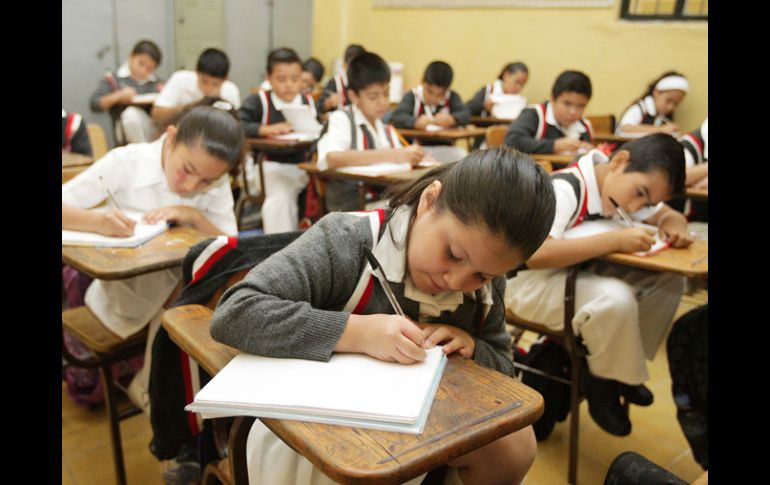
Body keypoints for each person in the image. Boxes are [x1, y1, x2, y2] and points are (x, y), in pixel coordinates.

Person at [209, 147, 556, 485]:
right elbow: (236, 310)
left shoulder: (484, 289)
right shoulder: (347, 240)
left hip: (423, 426)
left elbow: (505, 372)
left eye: (481, 275)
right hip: (319, 422)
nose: (456, 281)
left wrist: (474, 347)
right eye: (452, 253)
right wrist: (356, 332)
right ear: (429, 201)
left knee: (515, 445)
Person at [505, 134, 692, 437]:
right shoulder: (565, 188)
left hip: (568, 280)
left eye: (648, 201)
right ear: (619, 162)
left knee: (671, 280)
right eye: (640, 193)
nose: (637, 206)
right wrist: (614, 240)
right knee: (616, 299)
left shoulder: (620, 187)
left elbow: (662, 213)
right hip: (523, 286)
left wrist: (673, 221)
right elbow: (536, 253)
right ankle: (603, 382)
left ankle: (622, 373)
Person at [62, 105, 242, 413]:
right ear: (170, 138)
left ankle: (163, 393)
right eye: (187, 170)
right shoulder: (127, 161)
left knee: (209, 292)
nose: (190, 186)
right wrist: (98, 221)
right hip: (123, 294)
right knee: (191, 302)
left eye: (205, 182)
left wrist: (195, 216)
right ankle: (158, 394)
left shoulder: (213, 176)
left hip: (177, 292)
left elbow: (229, 245)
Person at [316, 52, 427, 212]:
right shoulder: (342, 119)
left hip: (382, 200)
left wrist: (414, 157)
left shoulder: (382, 125)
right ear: (353, 96)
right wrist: (396, 154)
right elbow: (333, 158)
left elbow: (402, 158)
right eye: (373, 96)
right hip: (350, 207)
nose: (383, 102)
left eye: (386, 94)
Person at [239, 47, 319, 233]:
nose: (289, 85)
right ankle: (280, 247)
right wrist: (264, 129)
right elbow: (237, 125)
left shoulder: (307, 101)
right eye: (281, 79)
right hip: (268, 167)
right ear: (268, 77)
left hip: (303, 166)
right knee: (281, 197)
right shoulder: (259, 101)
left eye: (296, 79)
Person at [391, 60, 471, 163]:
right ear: (422, 82)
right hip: (416, 150)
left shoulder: (452, 97)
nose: (433, 98)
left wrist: (452, 119)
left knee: (462, 156)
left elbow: (466, 114)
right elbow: (397, 116)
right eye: (430, 91)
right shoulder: (413, 96)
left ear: (447, 90)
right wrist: (414, 122)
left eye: (440, 94)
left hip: (445, 149)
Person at [89, 40, 164, 144]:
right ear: (131, 56)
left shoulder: (157, 83)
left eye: (149, 69)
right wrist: (118, 96)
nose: (143, 71)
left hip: (152, 132)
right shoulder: (113, 79)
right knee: (131, 115)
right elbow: (94, 104)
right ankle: (143, 151)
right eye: (141, 64)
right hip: (124, 136)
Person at [504, 70, 594, 155]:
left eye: (581, 106)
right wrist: (554, 145)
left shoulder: (584, 126)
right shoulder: (534, 114)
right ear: (552, 98)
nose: (573, 112)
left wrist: (588, 149)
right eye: (567, 104)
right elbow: (512, 141)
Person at [151, 47, 241, 125]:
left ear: (226, 79)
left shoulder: (230, 91)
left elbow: (235, 126)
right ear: (196, 72)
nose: (208, 88)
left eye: (215, 84)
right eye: (204, 82)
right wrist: (190, 108)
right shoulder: (180, 79)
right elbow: (156, 114)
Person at [616, 71, 688, 136]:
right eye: (668, 101)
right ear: (657, 93)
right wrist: (660, 129)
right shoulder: (641, 108)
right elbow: (625, 128)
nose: (671, 107)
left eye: (676, 104)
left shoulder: (663, 118)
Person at [317, 43, 366, 114]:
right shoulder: (336, 82)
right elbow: (319, 107)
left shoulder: (367, 84)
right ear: (344, 65)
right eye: (353, 67)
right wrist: (329, 102)